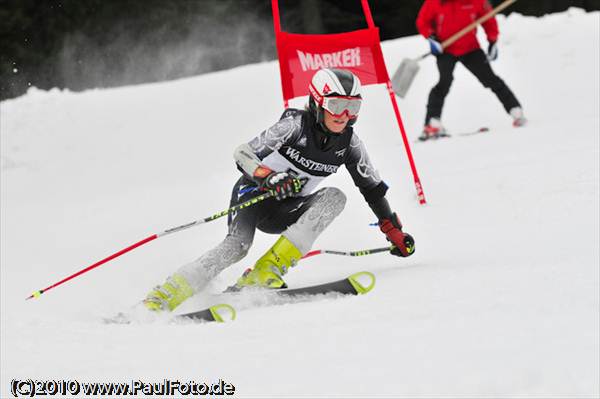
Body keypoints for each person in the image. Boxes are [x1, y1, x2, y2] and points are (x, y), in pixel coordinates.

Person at [143, 68, 416, 312]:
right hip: (253, 196)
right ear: (317, 102)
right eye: (336, 105)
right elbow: (243, 153)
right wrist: (268, 177)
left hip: (288, 208)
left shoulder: (350, 145)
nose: (344, 115)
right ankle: (165, 295)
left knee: (335, 197)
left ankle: (264, 273)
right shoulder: (294, 126)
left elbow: (372, 188)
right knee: (237, 247)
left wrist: (392, 228)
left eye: (352, 107)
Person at [416, 0, 527, 140]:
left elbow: (489, 19)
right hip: (446, 49)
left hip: (470, 48)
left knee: (490, 79)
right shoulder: (435, 2)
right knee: (444, 83)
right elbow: (422, 21)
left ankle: (515, 110)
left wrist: (492, 41)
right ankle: (432, 123)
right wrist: (431, 37)